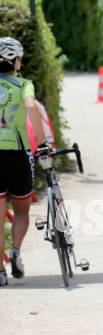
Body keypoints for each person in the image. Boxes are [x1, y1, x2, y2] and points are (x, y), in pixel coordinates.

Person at [0, 37, 46, 286]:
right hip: (17, 153)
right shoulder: (24, 84)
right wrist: (41, 141)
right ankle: (16, 251)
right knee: (21, 209)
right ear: (15, 61)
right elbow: (31, 106)